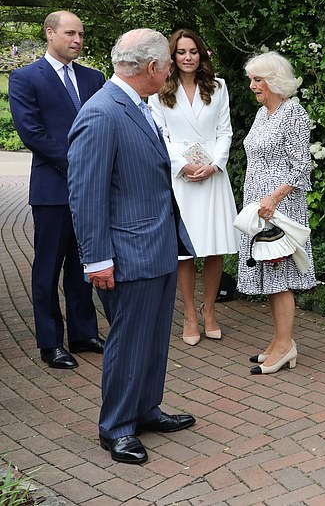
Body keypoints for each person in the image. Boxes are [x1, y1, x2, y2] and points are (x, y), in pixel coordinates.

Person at [67, 29, 197, 464]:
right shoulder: (102, 112)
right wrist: (97, 259)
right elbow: (86, 193)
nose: (170, 72)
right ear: (154, 68)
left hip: (156, 246)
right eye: (167, 65)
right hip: (125, 254)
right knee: (127, 340)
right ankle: (117, 428)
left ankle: (145, 409)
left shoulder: (137, 104)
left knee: (154, 338)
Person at [8, 11, 106, 369]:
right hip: (53, 189)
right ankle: (50, 341)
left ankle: (83, 334)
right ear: (50, 34)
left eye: (81, 33)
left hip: (92, 192)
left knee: (86, 264)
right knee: (47, 268)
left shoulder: (94, 78)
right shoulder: (24, 78)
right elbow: (32, 132)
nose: (78, 39)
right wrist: (79, 165)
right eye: (70, 33)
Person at [148, 29, 237, 346]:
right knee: (184, 252)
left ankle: (209, 309)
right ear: (172, 57)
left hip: (212, 173)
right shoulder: (159, 92)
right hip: (180, 177)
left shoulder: (219, 87)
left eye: (193, 51)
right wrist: (181, 165)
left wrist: (215, 164)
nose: (187, 57)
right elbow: (160, 135)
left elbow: (226, 131)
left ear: (202, 55)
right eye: (181, 52)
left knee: (214, 247)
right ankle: (188, 314)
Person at [238, 51, 316, 375]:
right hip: (259, 205)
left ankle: (285, 346)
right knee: (269, 276)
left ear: (275, 80)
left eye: (259, 80)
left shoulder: (293, 112)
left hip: (279, 207)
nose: (253, 86)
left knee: (279, 275)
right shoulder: (262, 114)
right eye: (252, 80)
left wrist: (273, 198)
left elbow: (301, 168)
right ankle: (279, 341)